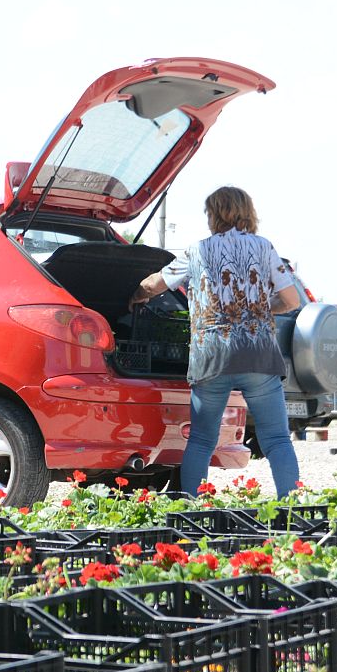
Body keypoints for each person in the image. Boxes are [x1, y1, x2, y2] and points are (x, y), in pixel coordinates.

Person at [130, 186, 301, 497]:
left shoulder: (196, 251)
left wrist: (136, 294)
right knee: (276, 438)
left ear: (214, 214)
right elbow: (291, 299)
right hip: (258, 356)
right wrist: (262, 308)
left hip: (212, 357)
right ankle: (291, 508)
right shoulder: (264, 248)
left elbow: (155, 284)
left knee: (201, 439)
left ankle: (190, 507)